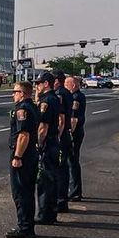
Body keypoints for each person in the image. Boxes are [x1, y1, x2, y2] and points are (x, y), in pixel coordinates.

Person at [6, 81, 40, 238]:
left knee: (21, 192)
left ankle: (24, 227)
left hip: (23, 154)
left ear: (23, 93)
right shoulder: (33, 106)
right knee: (27, 190)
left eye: (15, 91)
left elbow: (23, 135)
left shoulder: (22, 109)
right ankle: (27, 225)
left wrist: (18, 156)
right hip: (31, 152)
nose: (13, 94)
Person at [33, 72, 63, 225]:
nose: (36, 86)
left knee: (45, 180)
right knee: (52, 177)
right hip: (54, 141)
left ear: (46, 84)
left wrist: (38, 143)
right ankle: (51, 212)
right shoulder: (55, 98)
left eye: (38, 83)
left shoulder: (46, 101)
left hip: (47, 143)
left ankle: (45, 214)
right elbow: (59, 121)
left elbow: (42, 127)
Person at [51, 71, 74, 213]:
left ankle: (60, 201)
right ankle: (62, 199)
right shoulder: (67, 93)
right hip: (66, 135)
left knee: (59, 169)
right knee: (64, 168)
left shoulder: (59, 94)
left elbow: (61, 119)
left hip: (61, 136)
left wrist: (57, 136)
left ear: (57, 81)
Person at [65, 75, 86, 201]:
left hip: (75, 133)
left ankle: (74, 192)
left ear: (73, 85)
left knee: (72, 162)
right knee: (72, 161)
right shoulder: (78, 96)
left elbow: (73, 119)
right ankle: (75, 190)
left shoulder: (75, 97)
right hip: (79, 132)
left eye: (67, 84)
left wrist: (70, 134)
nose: (65, 86)